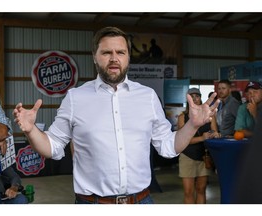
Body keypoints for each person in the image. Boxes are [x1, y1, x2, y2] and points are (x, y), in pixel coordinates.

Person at [13, 26, 219, 204]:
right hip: (93, 204)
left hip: (141, 202)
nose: (114, 58)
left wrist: (192, 124)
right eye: (106, 52)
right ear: (95, 56)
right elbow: (52, 146)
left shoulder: (147, 96)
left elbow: (167, 146)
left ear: (128, 57)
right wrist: (31, 131)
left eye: (120, 52)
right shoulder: (75, 98)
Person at [0, 90, 28, 204]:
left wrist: (14, 188)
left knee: (22, 199)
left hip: (0, 194)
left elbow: (14, 177)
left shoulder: (5, 123)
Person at [177, 88, 220, 204]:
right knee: (188, 191)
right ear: (188, 100)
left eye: (197, 96)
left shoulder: (210, 115)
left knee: (201, 189)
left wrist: (215, 134)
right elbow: (181, 140)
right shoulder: (182, 117)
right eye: (192, 96)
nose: (195, 99)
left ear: (201, 98)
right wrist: (202, 138)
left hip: (204, 155)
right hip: (187, 156)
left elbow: (214, 131)